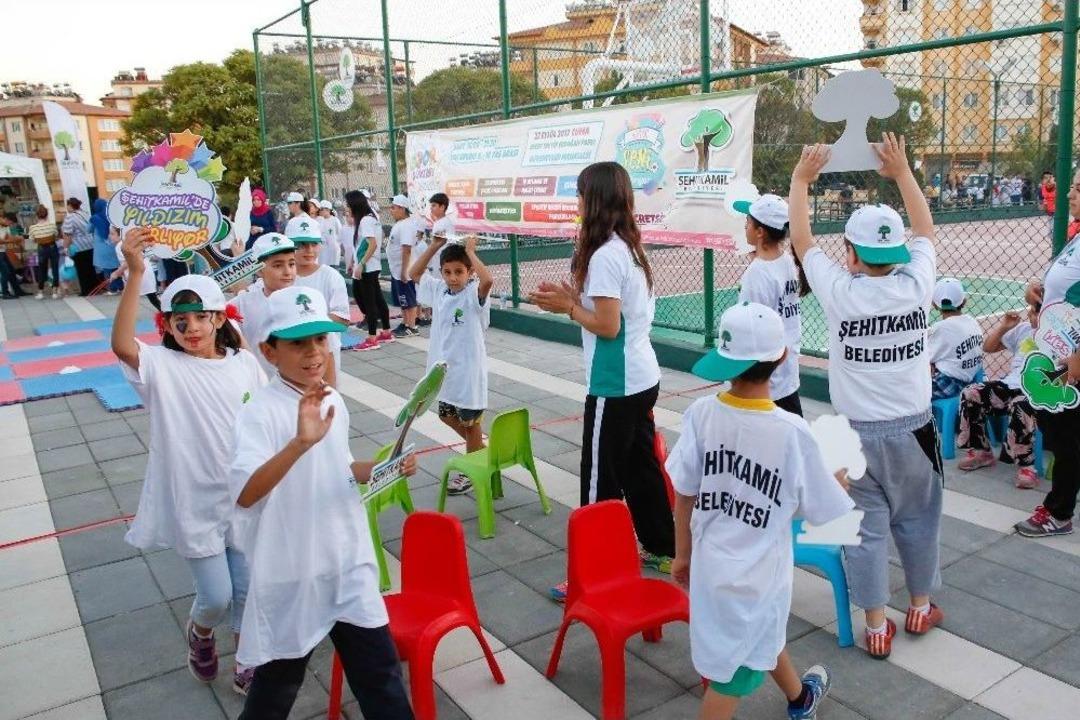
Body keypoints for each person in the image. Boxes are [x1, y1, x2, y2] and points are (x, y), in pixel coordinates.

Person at [789, 134, 944, 659]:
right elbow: (924, 228)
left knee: (868, 528)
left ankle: (876, 624)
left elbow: (805, 243)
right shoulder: (917, 284)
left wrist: (801, 181)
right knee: (919, 519)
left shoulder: (840, 291)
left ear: (851, 255)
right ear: (896, 252)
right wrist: (901, 172)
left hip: (855, 437)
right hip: (916, 431)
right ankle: (920, 605)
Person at [229, 285, 416, 719]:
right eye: (298, 342)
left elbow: (341, 467)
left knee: (381, 677)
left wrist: (384, 468)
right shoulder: (260, 411)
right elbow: (246, 492)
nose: (314, 352)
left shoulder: (331, 398)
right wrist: (299, 443)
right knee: (277, 688)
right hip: (293, 572)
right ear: (270, 352)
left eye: (320, 339)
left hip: (347, 563)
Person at [669, 302, 853, 720]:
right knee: (733, 675)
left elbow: (684, 491)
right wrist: (835, 483)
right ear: (783, 356)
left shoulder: (701, 414)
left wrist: (682, 554)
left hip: (712, 564)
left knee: (756, 637)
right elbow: (821, 508)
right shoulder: (791, 432)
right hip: (758, 575)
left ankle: (799, 699)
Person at [111, 227, 266, 695]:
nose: (192, 327)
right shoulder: (162, 367)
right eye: (181, 320)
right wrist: (136, 275)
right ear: (167, 326)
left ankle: (247, 661)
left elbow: (264, 417)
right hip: (194, 501)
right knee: (215, 597)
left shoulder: (244, 364)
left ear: (220, 318)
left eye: (201, 317)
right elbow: (121, 346)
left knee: (246, 592)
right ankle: (200, 633)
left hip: (243, 495)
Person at [530, 161, 676, 601]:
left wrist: (568, 309)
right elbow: (618, 314)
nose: (576, 202)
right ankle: (661, 547)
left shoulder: (606, 255)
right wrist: (575, 298)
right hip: (640, 376)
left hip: (616, 383)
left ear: (593, 200)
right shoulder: (625, 246)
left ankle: (590, 573)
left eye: (579, 195)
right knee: (640, 468)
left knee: (598, 479)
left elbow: (609, 326)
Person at [1015, 169, 1080, 537]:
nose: (1070, 195)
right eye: (1072, 187)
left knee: (1066, 434)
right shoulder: (1077, 235)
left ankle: (1059, 512)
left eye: (1078, 189)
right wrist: (1037, 294)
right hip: (1057, 350)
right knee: (1059, 429)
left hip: (1071, 359)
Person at [410, 234, 492, 495]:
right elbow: (413, 273)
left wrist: (471, 251)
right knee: (446, 415)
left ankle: (471, 470)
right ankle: (480, 451)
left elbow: (488, 280)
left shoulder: (472, 294)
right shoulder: (438, 290)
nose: (453, 277)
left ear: (469, 272)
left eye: (459, 271)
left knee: (471, 423)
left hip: (468, 373)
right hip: (445, 373)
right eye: (447, 272)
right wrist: (434, 245)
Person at [717, 193, 805, 415]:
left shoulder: (757, 274)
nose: (745, 225)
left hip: (764, 381)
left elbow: (748, 330)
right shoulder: (786, 261)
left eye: (748, 222)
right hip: (786, 372)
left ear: (760, 232)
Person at [956, 306, 1039, 489]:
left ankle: (1027, 466)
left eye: (1039, 310)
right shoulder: (1024, 329)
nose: (1033, 314)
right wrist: (1004, 327)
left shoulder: (1062, 337)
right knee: (971, 393)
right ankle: (981, 451)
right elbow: (988, 347)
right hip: (1011, 385)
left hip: (1039, 391)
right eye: (1033, 310)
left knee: (1021, 406)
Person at [286, 215, 349, 385]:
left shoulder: (331, 277)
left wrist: (308, 326)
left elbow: (342, 318)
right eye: (302, 244)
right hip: (291, 350)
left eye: (314, 244)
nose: (309, 250)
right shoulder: (283, 278)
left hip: (324, 351)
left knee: (327, 400)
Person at [232, 232, 301, 378]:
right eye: (278, 265)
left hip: (296, 387)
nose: (288, 271)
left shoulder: (304, 299)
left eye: (291, 263)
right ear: (259, 269)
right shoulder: (242, 303)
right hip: (257, 385)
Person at [345, 190, 393, 351]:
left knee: (369, 301)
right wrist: (355, 261)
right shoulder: (371, 218)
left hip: (368, 267)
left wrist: (361, 264)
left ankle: (372, 338)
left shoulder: (365, 220)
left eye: (348, 205)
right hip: (371, 266)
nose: (347, 208)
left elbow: (371, 244)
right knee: (377, 299)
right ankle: (386, 331)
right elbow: (362, 244)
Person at [927, 277, 983, 400]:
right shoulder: (971, 321)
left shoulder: (940, 328)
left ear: (934, 305)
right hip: (972, 378)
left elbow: (924, 358)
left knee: (909, 388)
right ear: (964, 302)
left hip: (950, 383)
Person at [387, 195, 420, 337]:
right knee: (402, 299)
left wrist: (404, 271)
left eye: (394, 207)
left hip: (403, 270)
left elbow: (406, 249)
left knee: (409, 298)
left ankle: (412, 327)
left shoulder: (406, 225)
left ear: (402, 208)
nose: (391, 210)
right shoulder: (400, 224)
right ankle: (405, 323)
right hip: (397, 269)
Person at [110, 226, 159, 309]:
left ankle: (167, 314)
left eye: (112, 234)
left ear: (120, 234)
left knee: (133, 298)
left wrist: (117, 272)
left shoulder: (121, 245)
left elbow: (129, 261)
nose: (110, 236)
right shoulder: (126, 243)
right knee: (151, 297)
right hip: (142, 272)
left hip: (140, 274)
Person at [61, 198, 98, 296]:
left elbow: (67, 235)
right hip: (91, 244)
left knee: (82, 270)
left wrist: (65, 247)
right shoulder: (85, 213)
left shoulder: (70, 218)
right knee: (91, 268)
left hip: (79, 246)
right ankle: (95, 288)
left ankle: (86, 290)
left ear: (70, 206)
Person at [28, 204, 60, 299]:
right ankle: (54, 292)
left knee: (42, 270)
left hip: (41, 248)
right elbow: (56, 236)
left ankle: (40, 292)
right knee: (55, 269)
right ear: (47, 214)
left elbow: (32, 240)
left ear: (37, 215)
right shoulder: (52, 225)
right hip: (52, 247)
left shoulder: (33, 227)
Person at [90, 199, 120, 294]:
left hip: (102, 248)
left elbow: (87, 229)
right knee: (116, 267)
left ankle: (111, 289)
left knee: (106, 269)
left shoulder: (95, 218)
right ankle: (120, 287)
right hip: (114, 245)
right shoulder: (112, 216)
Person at [0, 212, 27, 298]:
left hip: (3, 251)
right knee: (5, 272)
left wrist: (18, 238)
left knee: (11, 271)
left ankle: (17, 291)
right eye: (10, 223)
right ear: (6, 219)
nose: (10, 225)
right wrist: (13, 240)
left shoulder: (6, 226)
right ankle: (5, 293)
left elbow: (9, 237)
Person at [317, 199, 343, 267]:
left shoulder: (335, 220)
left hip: (333, 250)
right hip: (323, 251)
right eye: (320, 209)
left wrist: (336, 244)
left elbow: (340, 233)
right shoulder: (319, 220)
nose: (320, 211)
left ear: (328, 210)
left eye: (322, 209)